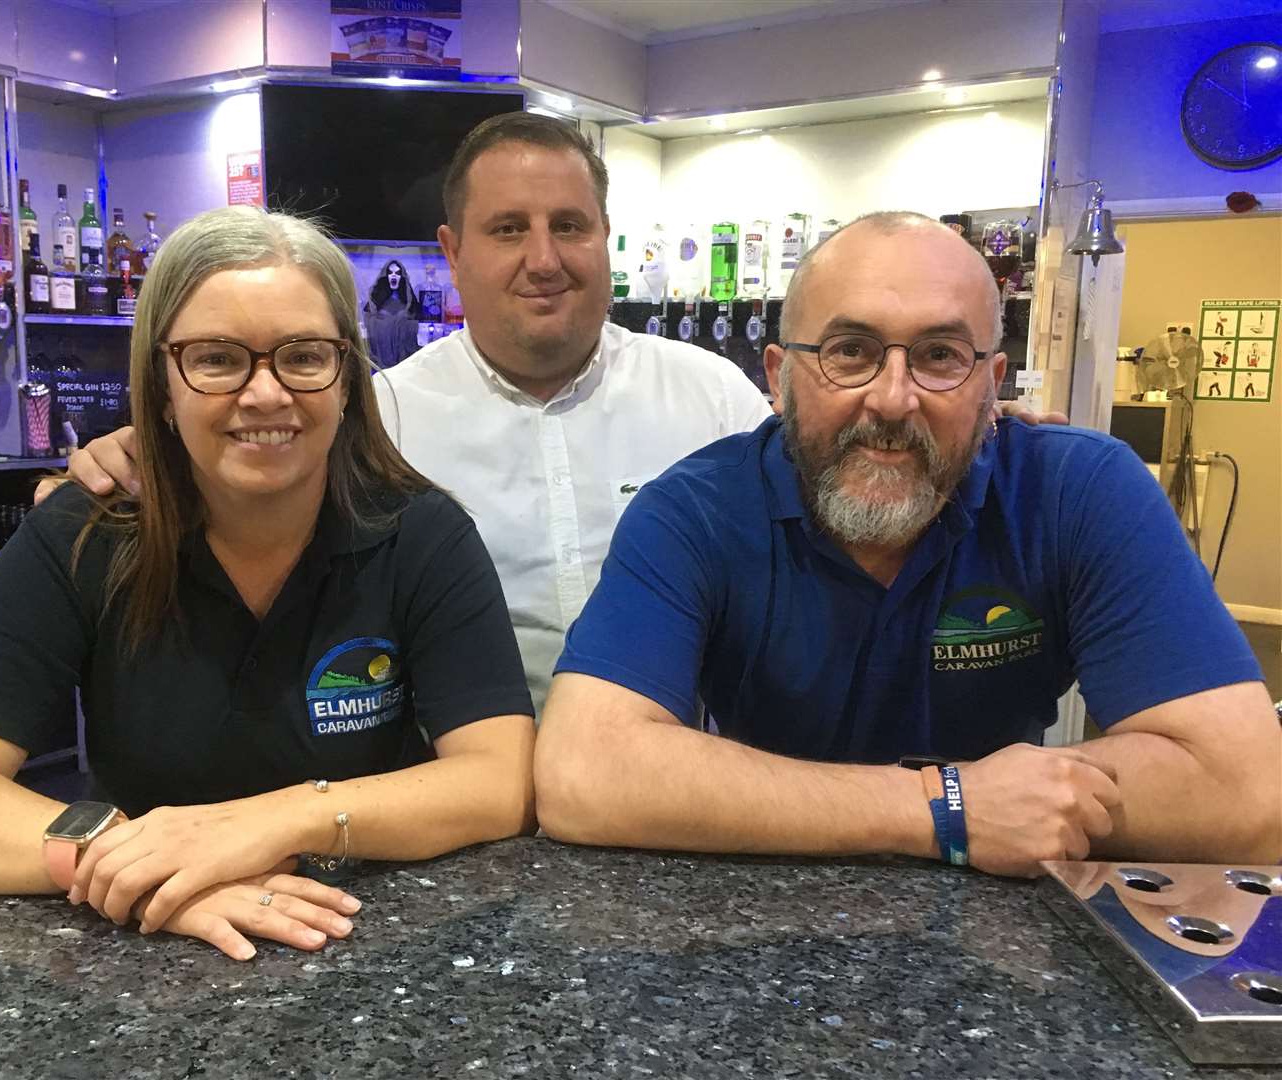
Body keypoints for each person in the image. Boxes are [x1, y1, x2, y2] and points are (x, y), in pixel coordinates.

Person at [44, 115, 1060, 717]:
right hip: (439, 801)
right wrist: (153, 450)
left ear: (607, 238)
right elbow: (250, 473)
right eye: (507, 229)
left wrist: (966, 417)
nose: (544, 257)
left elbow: (855, 463)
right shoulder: (375, 416)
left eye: (570, 225)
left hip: (676, 797)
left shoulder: (712, 396)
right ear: (452, 249)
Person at [0, 207, 536, 960]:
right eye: (217, 359)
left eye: (304, 356)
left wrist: (279, 820)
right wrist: (130, 863)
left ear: (346, 378)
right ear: (160, 385)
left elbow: (498, 779)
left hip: (374, 937)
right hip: (148, 948)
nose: (266, 393)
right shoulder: (85, 534)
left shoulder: (421, 534)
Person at [534, 212, 1280, 878]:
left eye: (939, 356)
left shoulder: (1078, 491)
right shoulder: (694, 510)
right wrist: (947, 807)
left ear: (991, 386)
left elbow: (1250, 798)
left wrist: (1010, 804)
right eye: (850, 351)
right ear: (779, 377)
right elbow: (583, 771)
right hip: (762, 912)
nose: (893, 399)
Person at [363, 258, 422, 368]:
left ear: (402, 276)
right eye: (390, 273)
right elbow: (367, 331)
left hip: (404, 363)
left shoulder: (409, 304)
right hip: (379, 362)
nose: (394, 275)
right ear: (385, 276)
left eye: (397, 273)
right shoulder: (375, 304)